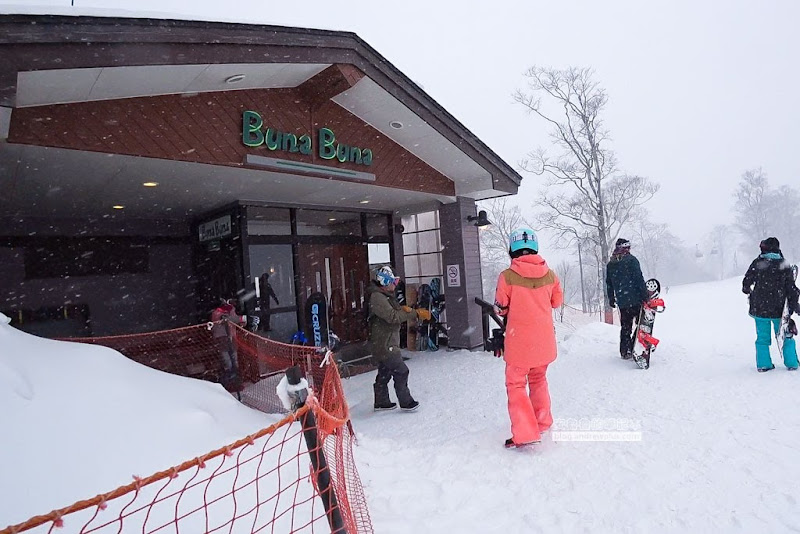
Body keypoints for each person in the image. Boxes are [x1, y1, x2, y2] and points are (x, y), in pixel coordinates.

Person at [494, 228, 563, 448]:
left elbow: (501, 308)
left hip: (519, 343)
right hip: (544, 342)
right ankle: (542, 421)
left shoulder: (507, 277)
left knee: (515, 384)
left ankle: (525, 432)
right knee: (538, 379)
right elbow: (556, 302)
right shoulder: (551, 275)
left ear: (512, 250)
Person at [367, 265, 430, 412]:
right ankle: (406, 402)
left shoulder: (384, 295)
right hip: (385, 343)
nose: (395, 286)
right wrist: (415, 313)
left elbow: (392, 312)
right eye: (393, 283)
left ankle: (381, 402)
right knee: (401, 371)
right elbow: (392, 317)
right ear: (384, 282)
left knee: (385, 371)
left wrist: (404, 310)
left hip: (384, 341)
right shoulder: (377, 297)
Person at [742, 237, 799, 372]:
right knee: (785, 335)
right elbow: (791, 288)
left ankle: (763, 364)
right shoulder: (784, 264)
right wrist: (794, 305)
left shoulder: (758, 263)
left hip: (759, 308)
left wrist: (748, 290)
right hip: (780, 309)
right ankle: (792, 363)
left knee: (762, 337)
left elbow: (746, 282)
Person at [606, 238, 649, 360]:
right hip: (636, 298)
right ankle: (635, 345)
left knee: (626, 326)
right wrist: (645, 295)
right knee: (641, 324)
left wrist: (611, 298)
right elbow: (638, 279)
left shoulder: (611, 264)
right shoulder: (631, 261)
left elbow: (609, 283)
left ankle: (625, 351)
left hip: (622, 301)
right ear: (626, 248)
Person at [210, 298, 248, 390]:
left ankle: (236, 382)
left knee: (234, 361)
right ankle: (229, 382)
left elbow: (235, 321)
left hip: (231, 336)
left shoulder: (231, 310)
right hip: (222, 337)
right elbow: (228, 319)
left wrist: (241, 322)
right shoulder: (217, 313)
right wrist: (241, 318)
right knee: (228, 362)